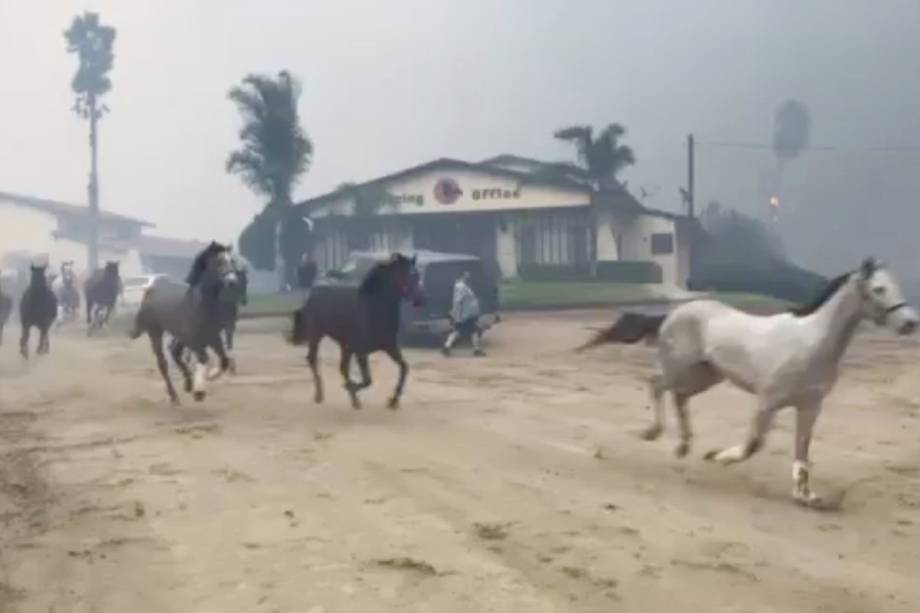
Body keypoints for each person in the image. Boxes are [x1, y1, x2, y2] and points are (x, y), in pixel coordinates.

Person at [442, 271, 485, 357]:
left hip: (466, 314)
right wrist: (455, 311)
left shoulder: (462, 286)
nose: (468, 276)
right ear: (461, 276)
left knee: (458, 331)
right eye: (466, 275)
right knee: (473, 331)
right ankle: (476, 350)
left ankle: (447, 347)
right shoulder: (461, 286)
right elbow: (458, 300)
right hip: (465, 315)